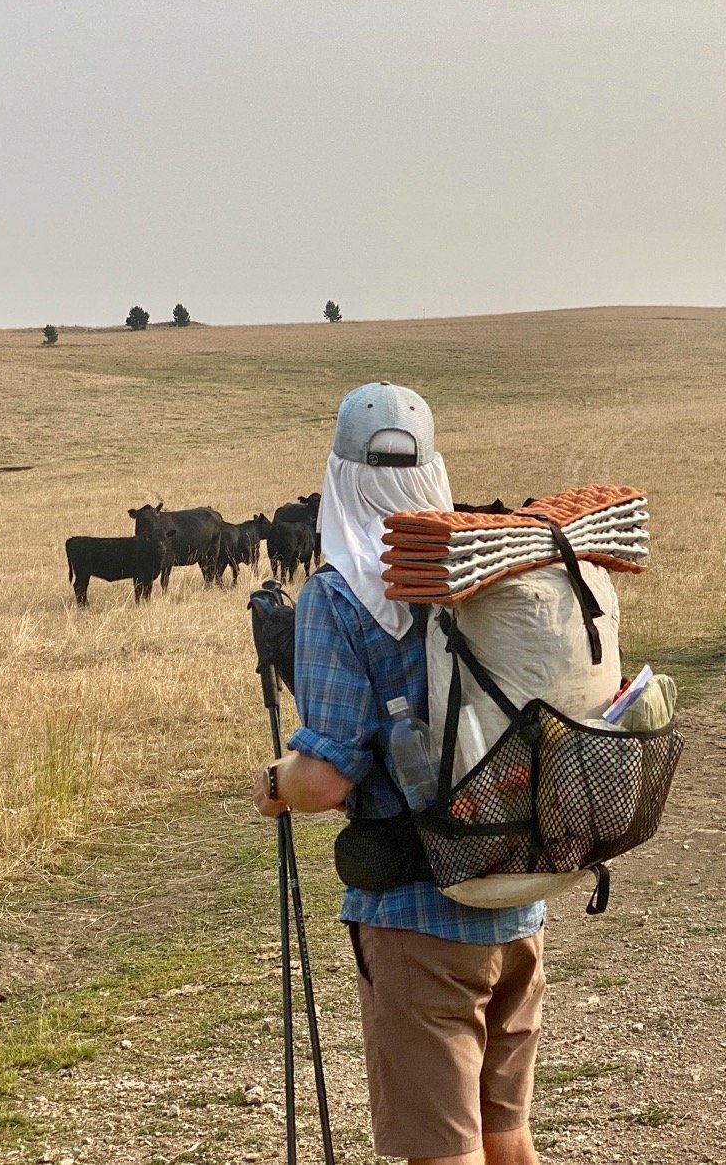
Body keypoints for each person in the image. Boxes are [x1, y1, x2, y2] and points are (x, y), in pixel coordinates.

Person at [252, 382, 545, 1165]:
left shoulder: (340, 595)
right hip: (519, 899)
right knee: (505, 1136)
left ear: (340, 475)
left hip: (420, 918)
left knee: (442, 1151)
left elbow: (324, 782)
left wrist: (275, 781)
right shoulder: (488, 571)